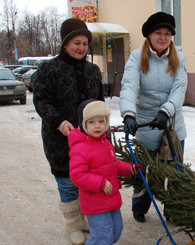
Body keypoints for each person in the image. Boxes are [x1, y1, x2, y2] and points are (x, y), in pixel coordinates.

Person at [33, 18, 104, 245]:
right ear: (64, 43)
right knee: (67, 183)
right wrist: (59, 122)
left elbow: (99, 102)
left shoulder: (93, 71)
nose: (81, 48)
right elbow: (42, 101)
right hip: (59, 140)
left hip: (89, 139)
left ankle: (84, 219)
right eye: (76, 42)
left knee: (88, 181)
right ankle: (73, 225)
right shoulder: (49, 69)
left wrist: (104, 127)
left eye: (85, 43)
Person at [119, 12, 188, 223]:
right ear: (149, 35)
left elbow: (179, 89)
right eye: (158, 32)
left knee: (173, 172)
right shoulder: (137, 58)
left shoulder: (179, 58)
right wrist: (129, 114)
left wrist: (166, 111)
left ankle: (172, 211)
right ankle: (140, 207)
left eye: (168, 34)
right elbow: (129, 86)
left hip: (171, 124)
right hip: (146, 123)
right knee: (144, 171)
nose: (163, 38)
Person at [68, 99, 141, 245]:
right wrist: (100, 183)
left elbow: (112, 165)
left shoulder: (105, 142)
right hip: (95, 203)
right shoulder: (80, 148)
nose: (97, 126)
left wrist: (129, 168)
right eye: (91, 122)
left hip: (111, 199)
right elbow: (77, 175)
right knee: (104, 237)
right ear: (83, 124)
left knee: (116, 231)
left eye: (101, 121)